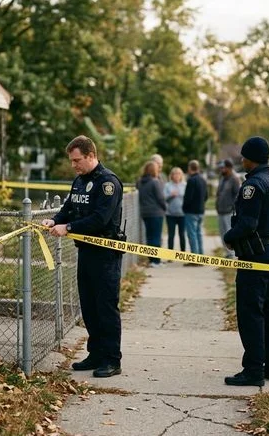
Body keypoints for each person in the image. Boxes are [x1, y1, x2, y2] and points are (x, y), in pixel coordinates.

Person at [42, 135, 124, 378]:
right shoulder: (79, 181)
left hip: (106, 254)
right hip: (86, 251)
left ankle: (111, 359)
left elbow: (101, 218)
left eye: (77, 160)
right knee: (89, 306)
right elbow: (69, 209)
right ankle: (96, 353)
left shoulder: (107, 183)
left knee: (106, 306)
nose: (73, 165)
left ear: (91, 156)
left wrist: (68, 228)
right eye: (71, 161)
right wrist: (56, 220)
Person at [222, 136, 269, 387]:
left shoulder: (253, 185)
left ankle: (253, 370)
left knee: (251, 313)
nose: (242, 160)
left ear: (251, 158)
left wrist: (229, 237)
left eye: (244, 156)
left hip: (256, 255)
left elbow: (248, 224)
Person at [137, 160, 166, 266]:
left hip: (145, 212)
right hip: (156, 212)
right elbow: (160, 198)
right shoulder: (155, 182)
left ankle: (151, 260)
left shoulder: (140, 182)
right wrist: (164, 208)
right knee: (156, 237)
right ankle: (156, 261)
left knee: (149, 236)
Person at [216, 159, 242, 259]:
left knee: (229, 232)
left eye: (223, 167)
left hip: (229, 212)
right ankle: (227, 252)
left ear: (229, 168)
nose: (222, 169)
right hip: (221, 211)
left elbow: (238, 196)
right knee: (222, 233)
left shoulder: (234, 179)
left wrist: (233, 207)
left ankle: (233, 253)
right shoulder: (222, 178)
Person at [182, 159, 208, 257]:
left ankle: (195, 257)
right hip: (201, 210)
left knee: (192, 234)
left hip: (191, 211)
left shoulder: (191, 180)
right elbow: (206, 196)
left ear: (190, 168)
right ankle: (200, 255)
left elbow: (188, 197)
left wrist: (184, 207)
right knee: (199, 233)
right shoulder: (203, 180)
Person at [164, 167, 187, 252]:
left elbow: (188, 198)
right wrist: (171, 195)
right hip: (170, 214)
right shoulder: (167, 185)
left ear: (181, 175)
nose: (176, 175)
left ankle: (183, 254)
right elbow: (164, 198)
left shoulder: (185, 185)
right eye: (175, 174)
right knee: (171, 235)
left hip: (182, 214)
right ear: (172, 175)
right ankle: (170, 254)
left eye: (178, 174)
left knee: (182, 235)